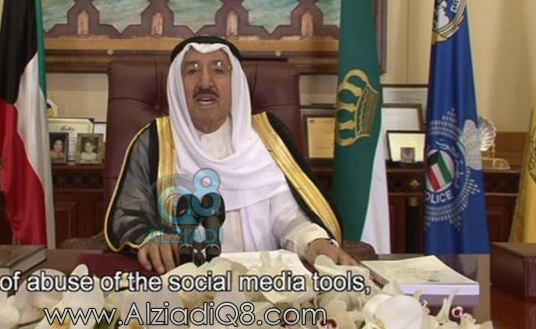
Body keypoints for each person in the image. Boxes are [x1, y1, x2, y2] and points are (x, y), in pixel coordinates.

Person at [105, 35, 356, 274]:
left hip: (264, 286)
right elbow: (129, 215)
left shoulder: (267, 137)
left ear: (234, 82)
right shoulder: (154, 141)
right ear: (177, 85)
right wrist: (152, 238)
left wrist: (314, 242)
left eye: (218, 70)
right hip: (184, 287)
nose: (205, 83)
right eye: (192, 71)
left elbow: (290, 217)